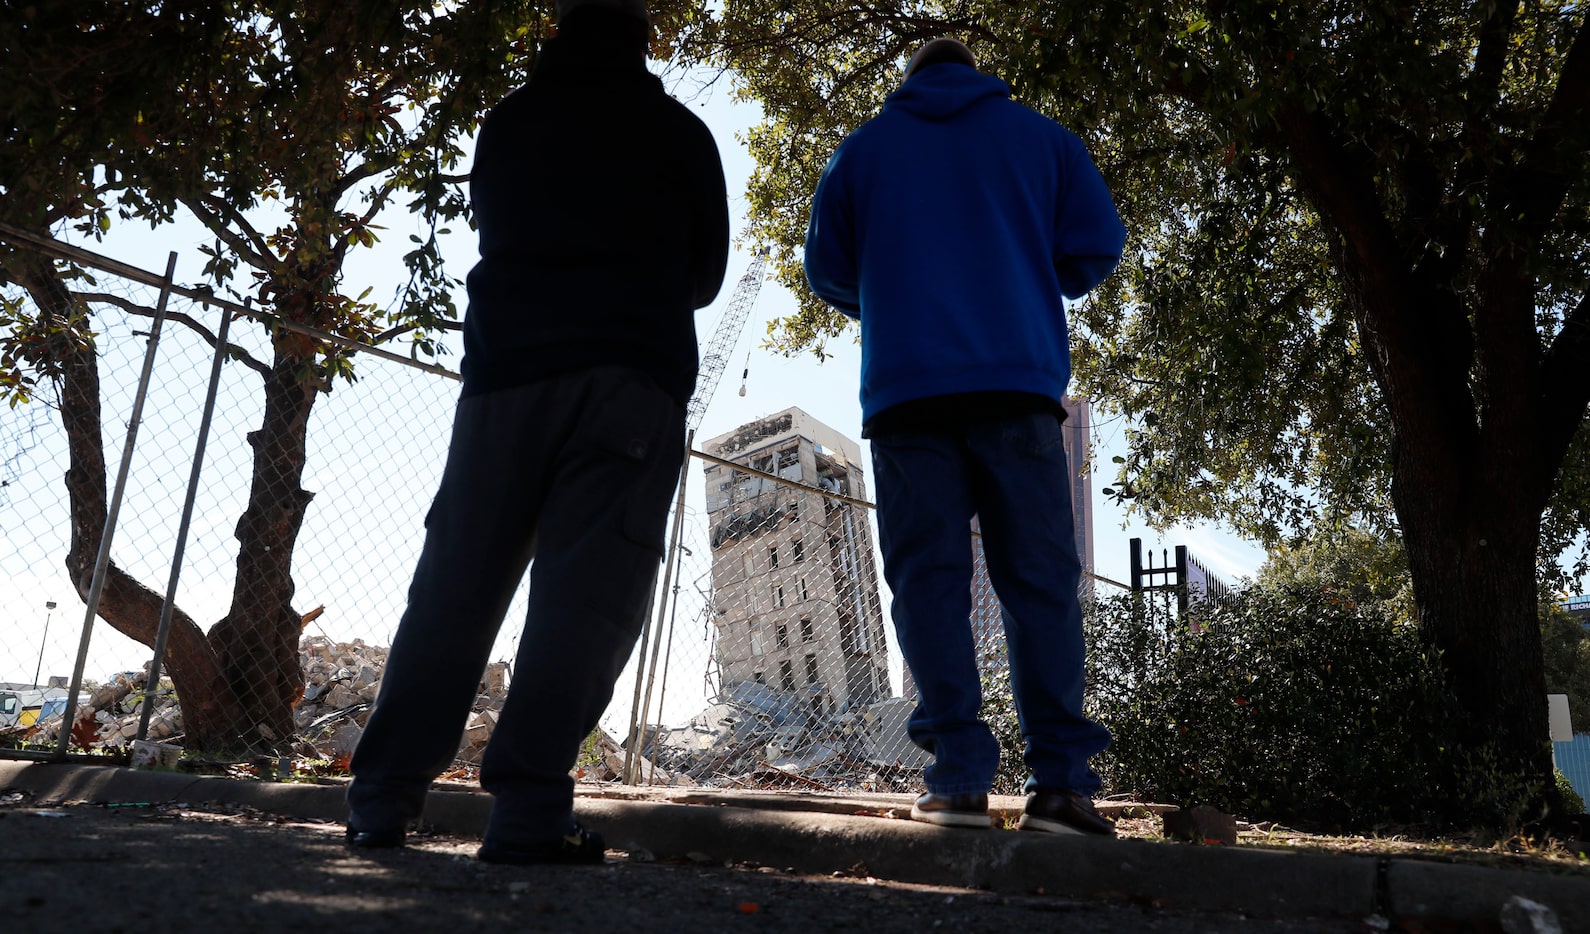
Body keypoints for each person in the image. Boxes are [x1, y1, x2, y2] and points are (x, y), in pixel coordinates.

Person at [345, 0, 729, 864]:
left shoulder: (509, 124)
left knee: (456, 583)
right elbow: (705, 278)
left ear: (557, 30)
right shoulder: (682, 135)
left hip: (504, 377)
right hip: (629, 376)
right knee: (585, 597)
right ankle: (526, 813)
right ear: (642, 38)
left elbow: (495, 225)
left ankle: (381, 799)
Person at [804, 38, 1125, 835]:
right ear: (979, 75)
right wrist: (1017, 268)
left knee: (928, 584)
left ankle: (956, 781)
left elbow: (827, 272)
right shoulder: (1043, 138)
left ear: (908, 81)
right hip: (1015, 388)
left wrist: (896, 297)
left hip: (909, 394)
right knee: (1040, 584)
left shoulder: (863, 150)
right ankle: (1061, 786)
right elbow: (1093, 250)